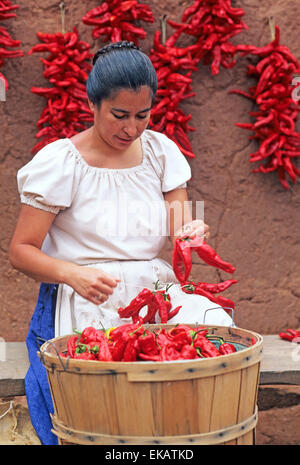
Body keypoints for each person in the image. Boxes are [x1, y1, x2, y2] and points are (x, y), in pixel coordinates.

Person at [9, 41, 233, 445]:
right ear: (92, 104)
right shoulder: (61, 163)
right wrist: (71, 274)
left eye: (142, 116)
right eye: (119, 115)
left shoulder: (160, 153)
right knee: (99, 409)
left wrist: (190, 234)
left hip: (153, 295)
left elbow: (178, 226)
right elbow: (21, 251)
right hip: (81, 296)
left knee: (196, 363)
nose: (131, 128)